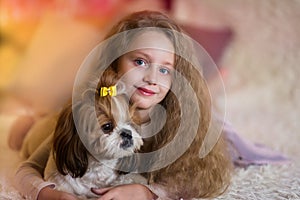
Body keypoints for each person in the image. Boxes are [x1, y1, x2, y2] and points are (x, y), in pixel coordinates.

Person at [13, 10, 288, 200]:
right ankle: (30, 120)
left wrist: (149, 192)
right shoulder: (84, 112)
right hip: (45, 127)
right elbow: (27, 168)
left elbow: (200, 177)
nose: (152, 78)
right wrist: (47, 193)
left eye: (166, 69)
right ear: (115, 62)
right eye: (140, 62)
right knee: (28, 134)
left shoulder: (173, 122)